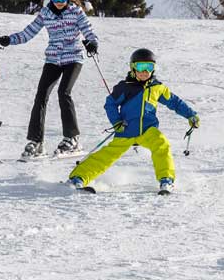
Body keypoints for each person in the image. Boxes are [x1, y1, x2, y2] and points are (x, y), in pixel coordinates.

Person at [0, 0, 99, 159]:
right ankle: (36, 142)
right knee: (41, 95)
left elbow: (88, 30)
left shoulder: (76, 12)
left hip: (73, 58)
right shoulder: (45, 13)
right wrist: (6, 40)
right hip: (53, 59)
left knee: (64, 92)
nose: (59, 1)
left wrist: (92, 43)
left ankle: (72, 139)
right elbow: (28, 33)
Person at [68, 49, 198, 194]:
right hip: (126, 130)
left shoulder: (157, 87)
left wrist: (190, 115)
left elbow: (174, 102)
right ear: (133, 67)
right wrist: (116, 122)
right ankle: (78, 178)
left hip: (147, 130)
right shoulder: (125, 86)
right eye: (141, 67)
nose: (145, 72)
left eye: (149, 67)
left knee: (162, 145)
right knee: (106, 155)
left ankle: (166, 180)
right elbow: (110, 104)